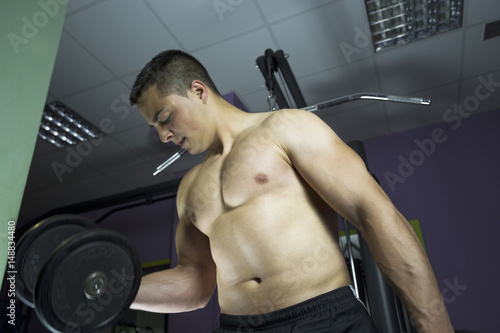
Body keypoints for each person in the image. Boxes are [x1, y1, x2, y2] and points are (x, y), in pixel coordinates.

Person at [128, 50, 453, 332]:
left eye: (165, 118)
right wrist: (118, 294)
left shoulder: (285, 128)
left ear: (198, 91)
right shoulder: (188, 188)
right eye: (155, 127)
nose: (163, 136)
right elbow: (194, 284)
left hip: (322, 320)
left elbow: (373, 214)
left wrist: (434, 327)